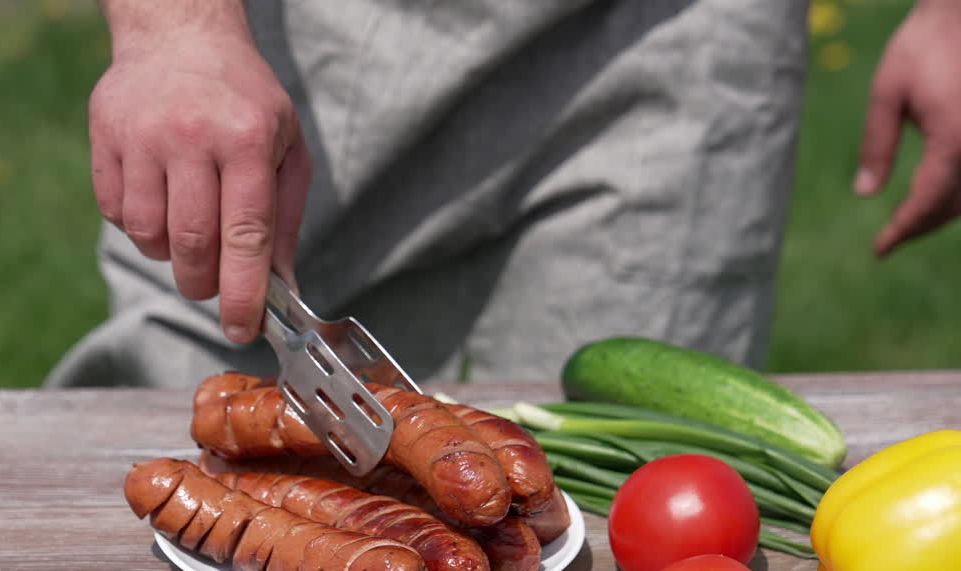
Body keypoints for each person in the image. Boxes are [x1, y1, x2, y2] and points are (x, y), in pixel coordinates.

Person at [47, 0, 961, 389]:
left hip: (678, 35)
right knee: (174, 453)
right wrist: (176, 28)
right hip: (316, 38)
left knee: (615, 533)